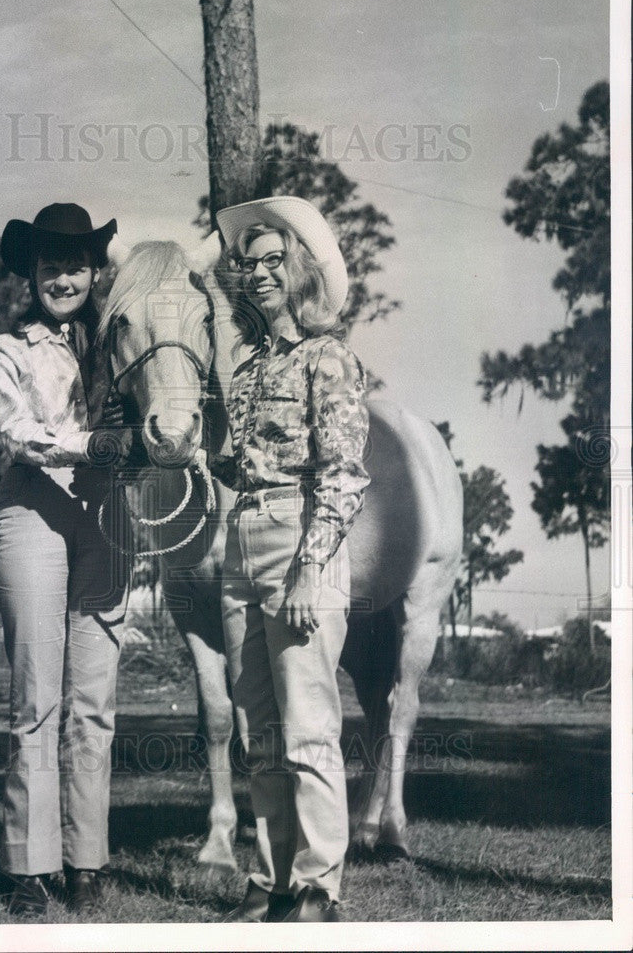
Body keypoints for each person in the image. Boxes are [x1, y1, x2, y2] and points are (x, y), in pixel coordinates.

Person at [213, 196, 371, 923]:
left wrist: (311, 567)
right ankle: (271, 877)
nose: (261, 273)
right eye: (252, 263)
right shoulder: (245, 370)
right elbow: (241, 464)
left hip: (300, 538)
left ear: (302, 270)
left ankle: (317, 883)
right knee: (259, 730)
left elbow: (342, 472)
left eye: (276, 260)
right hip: (241, 540)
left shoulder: (328, 355)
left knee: (307, 722)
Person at [0, 203, 131, 917]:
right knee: (37, 695)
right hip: (34, 509)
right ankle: (28, 868)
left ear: (94, 272)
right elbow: (19, 433)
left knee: (94, 700)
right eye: (50, 265)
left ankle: (87, 863)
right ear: (31, 274)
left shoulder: (117, 344)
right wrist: (93, 445)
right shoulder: (5, 350)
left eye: (75, 264)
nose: (63, 276)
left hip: (105, 516)